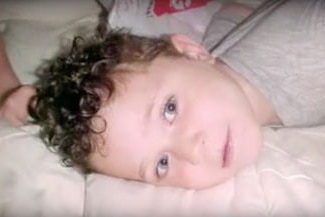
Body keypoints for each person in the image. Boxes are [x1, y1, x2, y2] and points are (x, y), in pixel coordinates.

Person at [2, 0, 325, 189]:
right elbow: (232, 10)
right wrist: (29, 100)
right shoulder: (212, 67)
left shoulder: (310, 46)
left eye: (170, 110)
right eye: (161, 164)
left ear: (192, 51)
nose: (191, 150)